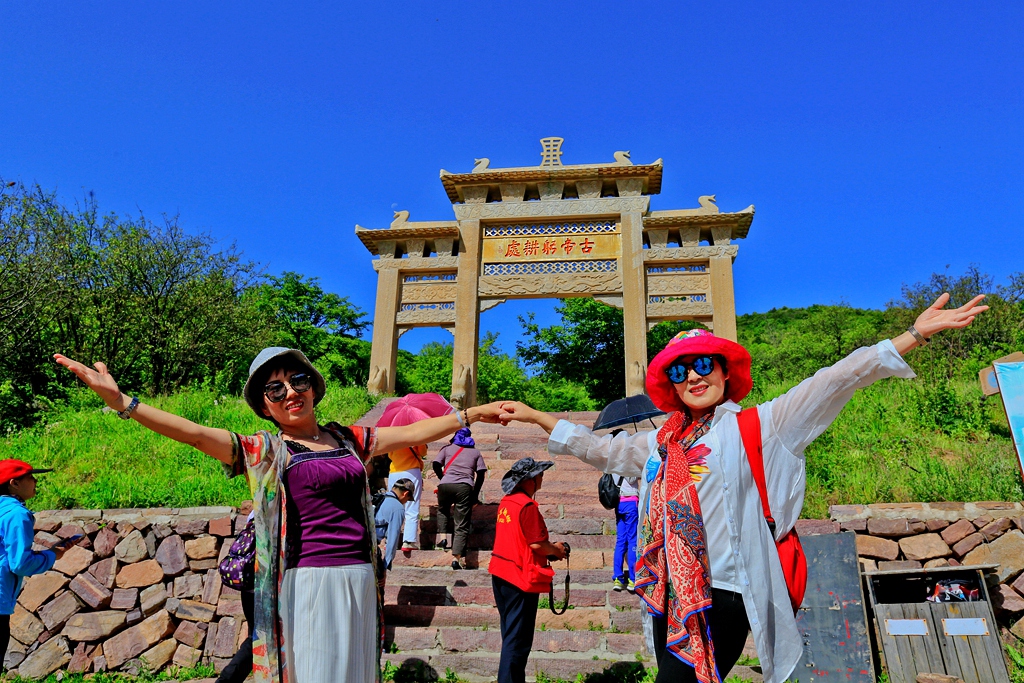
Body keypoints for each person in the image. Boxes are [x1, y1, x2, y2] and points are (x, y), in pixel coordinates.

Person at [499, 293, 987, 683]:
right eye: (679, 369)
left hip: (723, 590)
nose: (692, 375)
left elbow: (833, 381)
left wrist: (911, 336)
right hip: (668, 589)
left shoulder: (765, 426)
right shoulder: (660, 442)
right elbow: (603, 450)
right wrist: (538, 416)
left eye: (704, 364)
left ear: (726, 371)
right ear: (669, 383)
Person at [55, 346, 507, 683]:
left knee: (356, 674)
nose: (290, 391)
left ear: (312, 385)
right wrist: (124, 404)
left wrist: (468, 414)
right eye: (275, 388)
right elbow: (193, 434)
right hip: (308, 580)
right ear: (264, 403)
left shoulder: (347, 438)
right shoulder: (266, 449)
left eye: (297, 380)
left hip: (360, 577)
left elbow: (409, 431)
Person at [487, 457, 567, 683]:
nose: (542, 478)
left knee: (510, 635)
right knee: (518, 641)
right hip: (519, 577)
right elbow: (536, 544)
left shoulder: (507, 502)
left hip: (501, 572)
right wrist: (557, 550)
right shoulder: (527, 506)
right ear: (530, 480)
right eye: (540, 475)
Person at [0, 460, 67, 668]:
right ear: (14, 484)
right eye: (30, 477)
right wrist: (52, 555)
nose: (35, 480)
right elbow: (20, 564)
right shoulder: (17, 515)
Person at [432, 427, 486, 570]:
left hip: (445, 485)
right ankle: (456, 558)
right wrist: (475, 494)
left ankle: (443, 538)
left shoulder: (447, 448)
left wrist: (442, 478)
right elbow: (481, 474)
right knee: (461, 523)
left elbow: (436, 464)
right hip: (464, 486)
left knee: (443, 510)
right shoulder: (475, 452)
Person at [387, 444, 427, 551]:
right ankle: (408, 541)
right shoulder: (414, 432)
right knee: (412, 505)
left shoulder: (394, 434)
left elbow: (389, 454)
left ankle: (390, 540)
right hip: (411, 470)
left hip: (394, 471)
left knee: (393, 506)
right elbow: (423, 452)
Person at [375, 479, 414, 572]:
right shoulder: (397, 508)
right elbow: (393, 539)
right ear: (405, 493)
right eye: (408, 499)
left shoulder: (380, 497)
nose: (406, 502)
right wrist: (386, 564)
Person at [611, 474, 640, 593]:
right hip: (631, 501)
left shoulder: (612, 460)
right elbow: (631, 478)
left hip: (619, 502)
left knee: (620, 541)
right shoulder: (627, 461)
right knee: (632, 540)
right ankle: (633, 579)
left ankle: (618, 577)